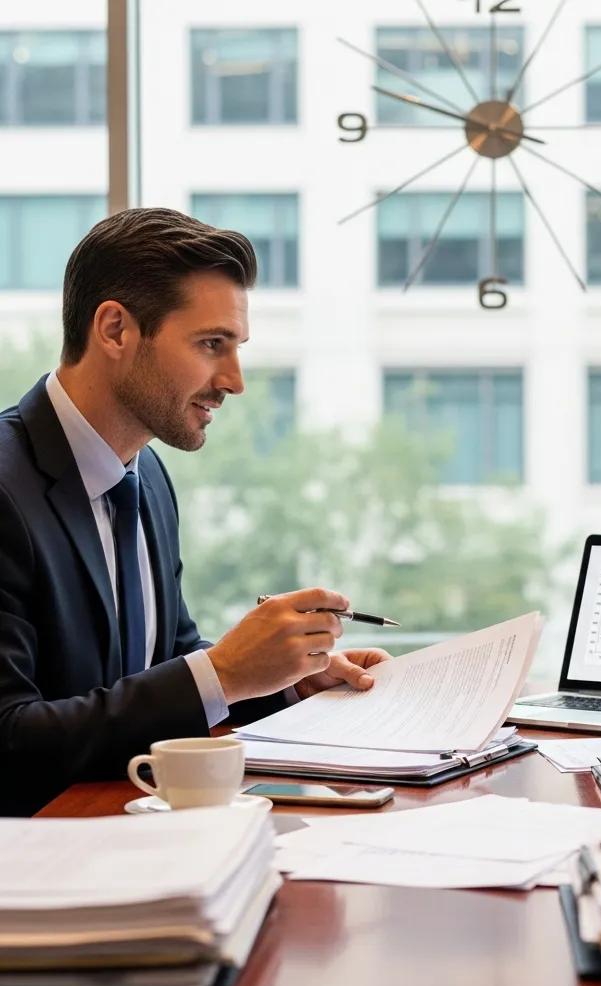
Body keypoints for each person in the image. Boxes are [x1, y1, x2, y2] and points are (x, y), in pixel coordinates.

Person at [0, 207, 389, 815]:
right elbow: (11, 739)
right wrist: (225, 672)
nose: (234, 381)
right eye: (212, 345)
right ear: (115, 330)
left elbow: (165, 667)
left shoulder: (147, 475)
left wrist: (286, 679)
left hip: (127, 838)